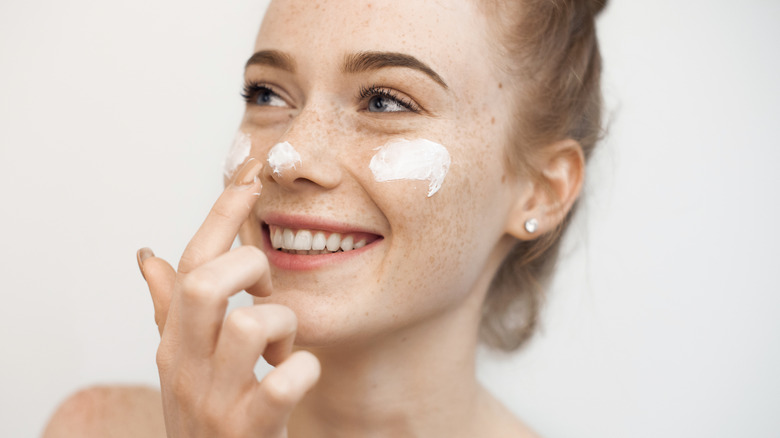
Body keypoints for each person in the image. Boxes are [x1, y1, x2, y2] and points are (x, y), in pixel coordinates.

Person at [43, 0, 607, 436]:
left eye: (384, 101)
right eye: (267, 94)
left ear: (541, 191)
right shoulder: (94, 428)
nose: (289, 157)